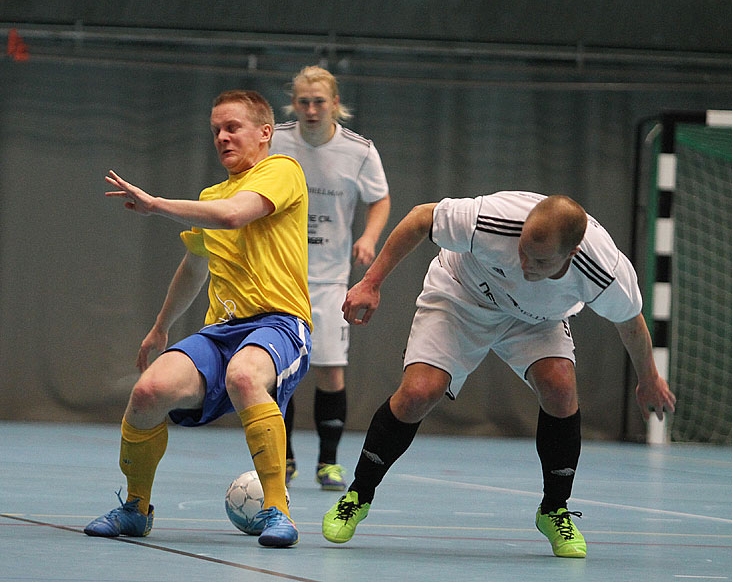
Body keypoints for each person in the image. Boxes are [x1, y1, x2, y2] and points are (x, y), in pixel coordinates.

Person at [321, 191, 676, 558]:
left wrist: (649, 378)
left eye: (538, 260)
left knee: (560, 388)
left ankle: (554, 509)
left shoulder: (603, 270)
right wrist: (371, 282)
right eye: (522, 249)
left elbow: (630, 324)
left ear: (570, 256)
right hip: (463, 296)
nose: (523, 262)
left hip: (537, 320)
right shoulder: (495, 219)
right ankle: (358, 495)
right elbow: (420, 218)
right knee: (418, 393)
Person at [84, 90, 312, 548]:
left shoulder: (282, 171)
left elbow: (233, 217)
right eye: (216, 131)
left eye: (233, 128)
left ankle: (278, 510)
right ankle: (136, 508)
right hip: (221, 331)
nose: (222, 138)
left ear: (265, 133)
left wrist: (155, 204)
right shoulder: (211, 194)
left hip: (280, 323)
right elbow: (195, 266)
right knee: (148, 391)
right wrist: (161, 325)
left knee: (246, 376)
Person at [270, 65, 390, 491]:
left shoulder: (359, 151)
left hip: (329, 280)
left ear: (335, 104)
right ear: (294, 105)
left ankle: (328, 461)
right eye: (303, 101)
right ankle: (281, 459)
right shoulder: (275, 140)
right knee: (277, 371)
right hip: (278, 276)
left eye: (319, 101)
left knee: (329, 370)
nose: (311, 109)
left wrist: (369, 237)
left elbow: (379, 198)